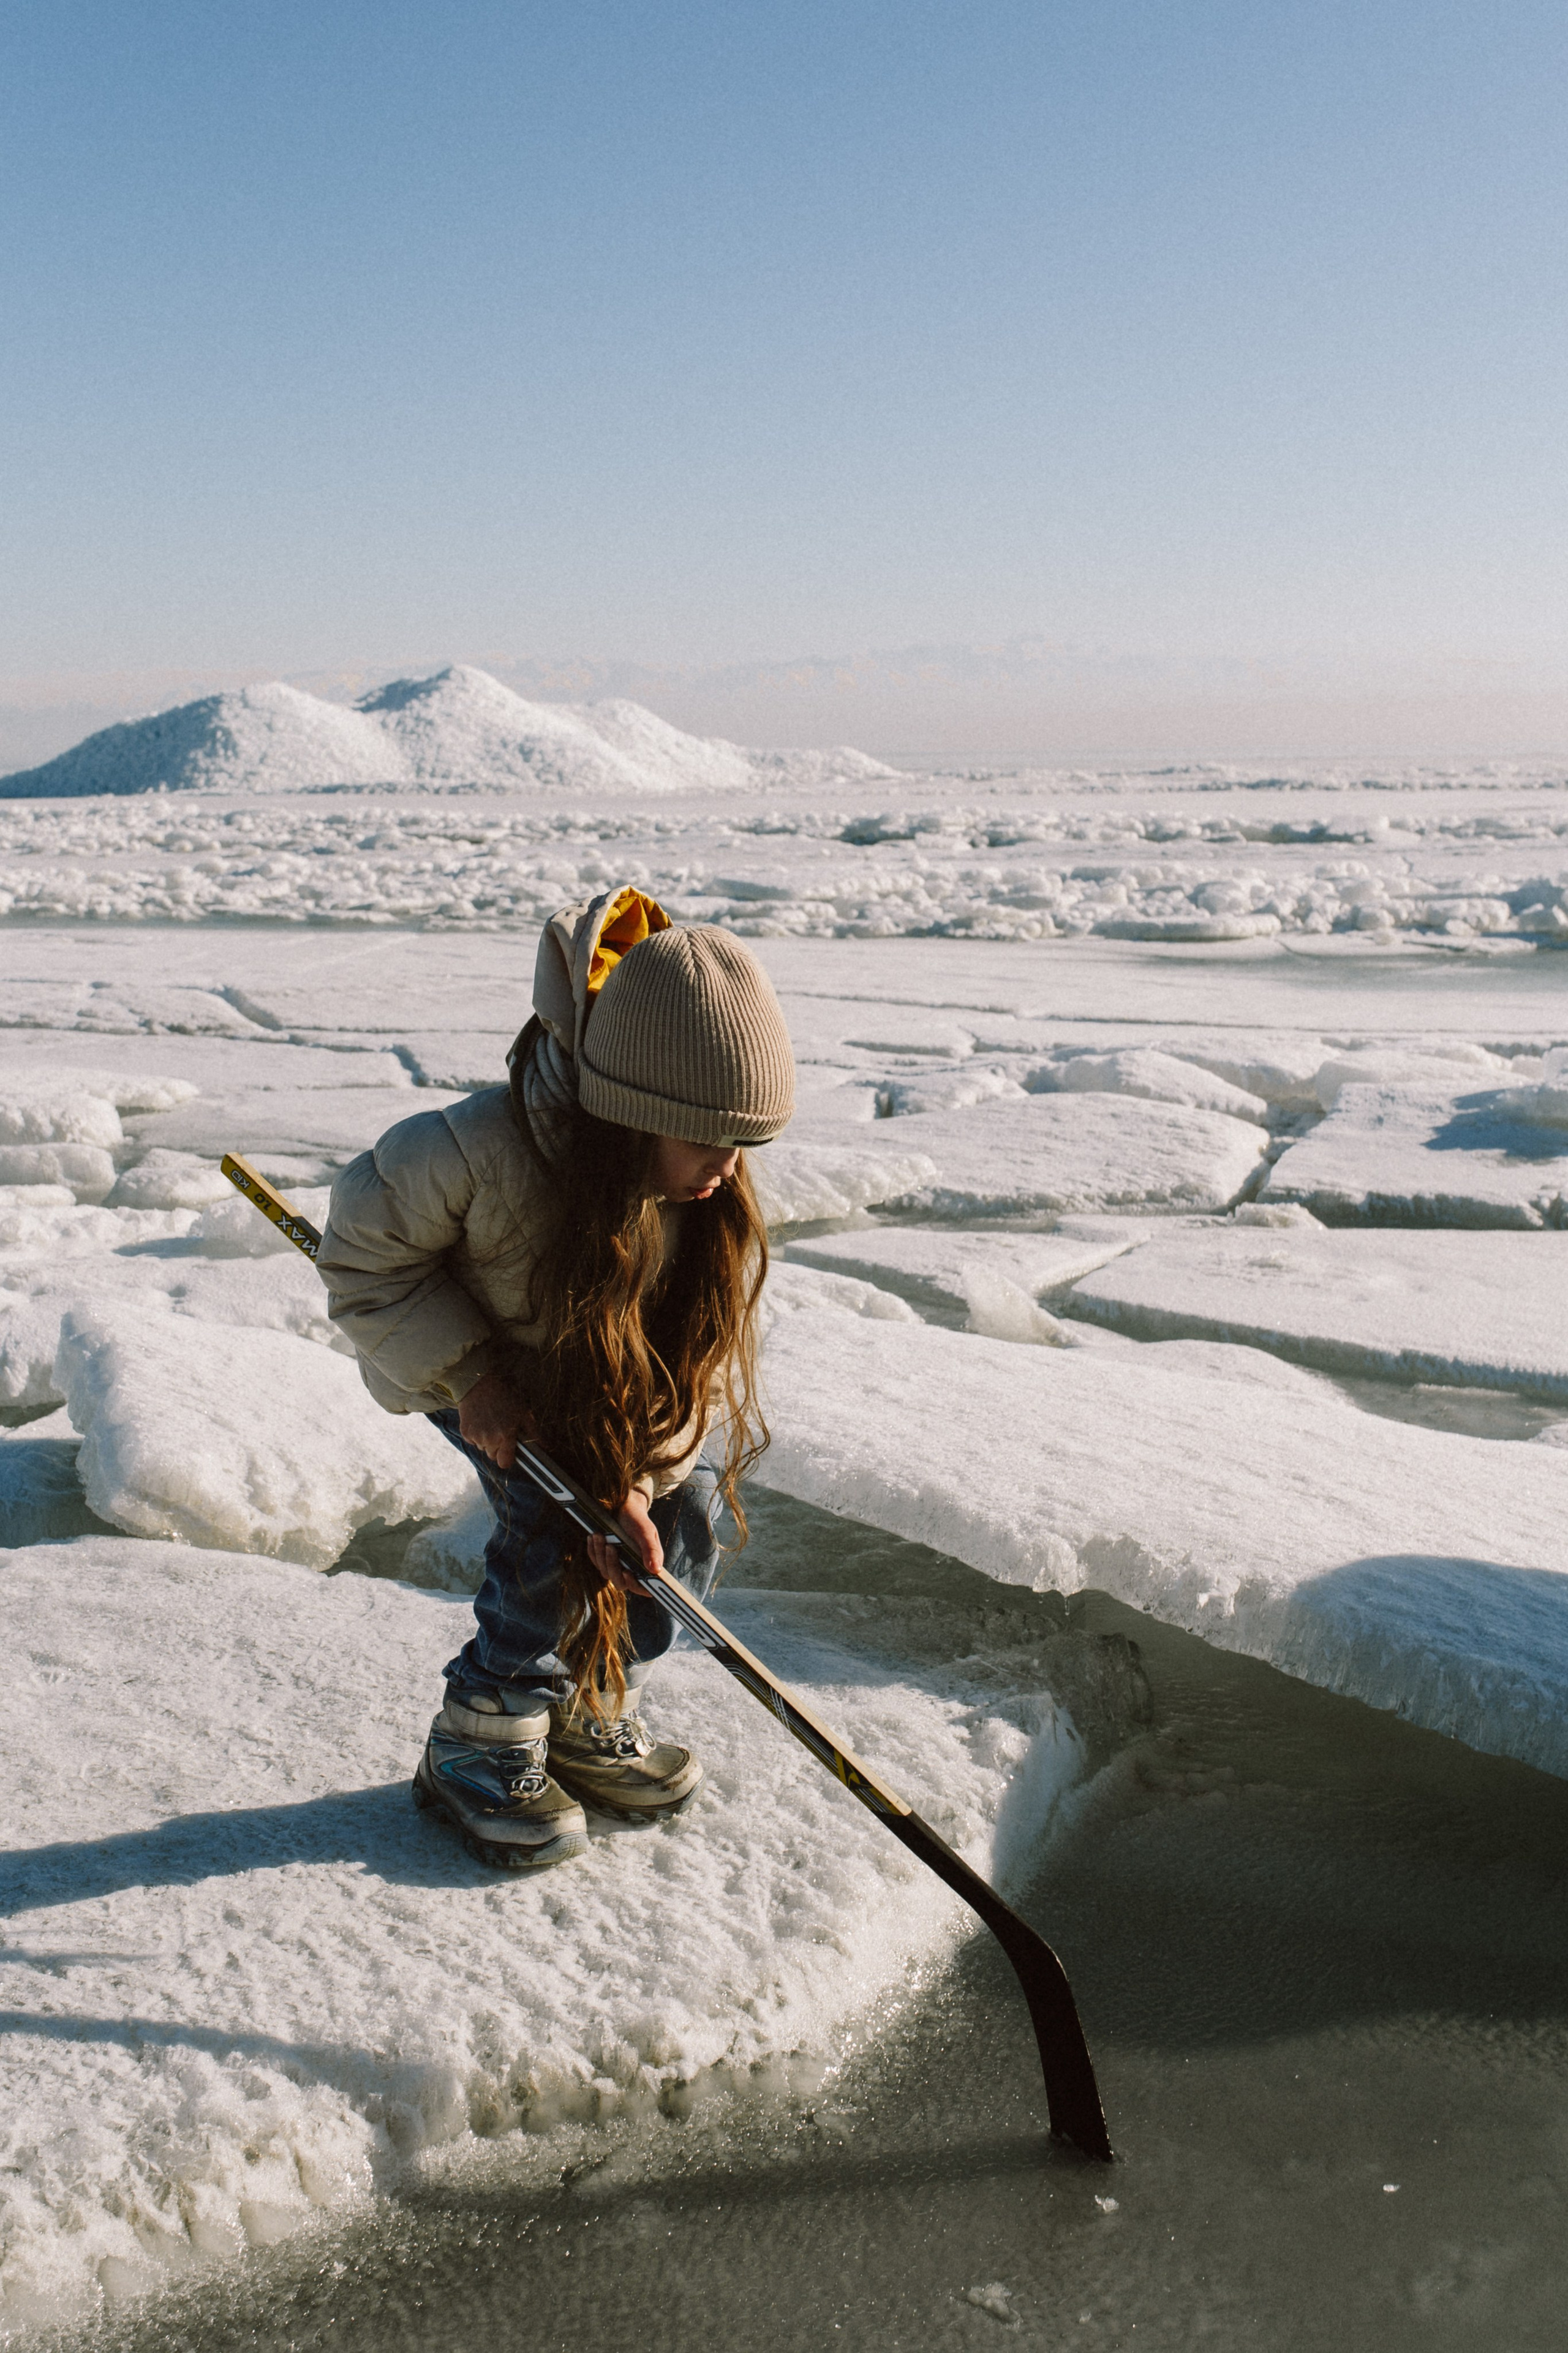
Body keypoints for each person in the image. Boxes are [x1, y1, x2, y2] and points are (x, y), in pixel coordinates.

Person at [317, 885, 795, 1870]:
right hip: (480, 1362)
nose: (726, 1166)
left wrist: (644, 1479)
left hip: (608, 1385)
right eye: (707, 1140)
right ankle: (482, 1732)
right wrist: (473, 1378)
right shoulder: (470, 1150)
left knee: (678, 1528)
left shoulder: (699, 1192)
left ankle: (587, 1701)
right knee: (553, 1520)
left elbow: (686, 1369)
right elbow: (364, 1257)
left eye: (740, 1143)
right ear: (633, 1114)